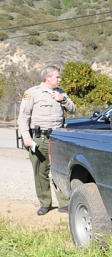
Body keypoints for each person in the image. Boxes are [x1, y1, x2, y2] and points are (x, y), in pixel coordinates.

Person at [18, 65, 76, 216]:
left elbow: (73, 109)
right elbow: (23, 117)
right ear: (47, 77)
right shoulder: (32, 93)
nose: (60, 79)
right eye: (57, 77)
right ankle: (45, 203)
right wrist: (26, 136)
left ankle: (64, 204)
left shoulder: (61, 93)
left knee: (60, 171)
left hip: (58, 139)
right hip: (39, 138)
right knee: (40, 171)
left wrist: (63, 100)